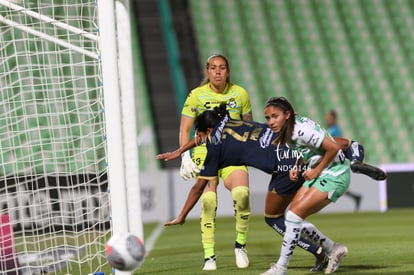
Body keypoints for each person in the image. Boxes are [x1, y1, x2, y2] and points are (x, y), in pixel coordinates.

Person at [157, 103, 386, 272]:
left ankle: (317, 252)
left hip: (283, 168)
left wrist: (182, 215)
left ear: (207, 132)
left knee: (275, 218)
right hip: (292, 152)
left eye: (200, 136)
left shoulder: (215, 148)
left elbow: (199, 187)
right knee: (325, 145)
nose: (199, 141)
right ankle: (353, 154)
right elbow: (202, 136)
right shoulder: (230, 120)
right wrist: (180, 151)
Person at [260, 96, 354, 275]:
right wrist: (297, 166)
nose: (271, 122)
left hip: (335, 174)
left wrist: (316, 171)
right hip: (322, 170)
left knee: (294, 216)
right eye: (268, 118)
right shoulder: (288, 129)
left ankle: (281, 268)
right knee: (292, 218)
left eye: (275, 116)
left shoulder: (299, 131)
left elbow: (333, 148)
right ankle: (333, 248)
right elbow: (305, 150)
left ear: (287, 115)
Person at [178, 54, 253, 270]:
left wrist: (250, 151)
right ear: (207, 71)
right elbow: (184, 129)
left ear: (228, 71)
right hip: (205, 153)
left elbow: (248, 125)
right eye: (213, 68)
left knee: (242, 194)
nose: (217, 72)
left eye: (222, 68)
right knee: (208, 200)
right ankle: (209, 256)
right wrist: (185, 156)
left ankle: (240, 245)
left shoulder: (240, 94)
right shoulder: (196, 96)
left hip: (233, 154)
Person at [325, 110, 362, 211]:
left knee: (333, 183)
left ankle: (356, 197)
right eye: (327, 118)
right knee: (336, 184)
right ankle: (355, 197)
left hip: (335, 159)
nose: (327, 120)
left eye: (329, 118)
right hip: (333, 158)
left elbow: (335, 145)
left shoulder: (334, 130)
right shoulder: (331, 129)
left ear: (334, 119)